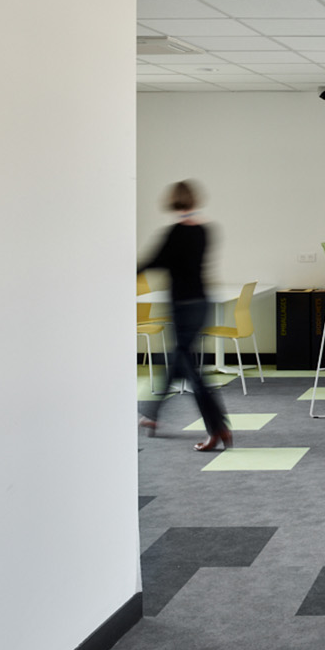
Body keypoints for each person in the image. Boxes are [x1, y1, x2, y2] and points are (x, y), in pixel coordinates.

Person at [137, 181, 232, 451]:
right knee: (180, 359)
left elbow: (152, 262)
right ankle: (151, 415)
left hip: (182, 307)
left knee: (192, 371)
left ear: (173, 202)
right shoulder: (206, 231)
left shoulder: (174, 234)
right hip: (202, 303)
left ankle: (218, 428)